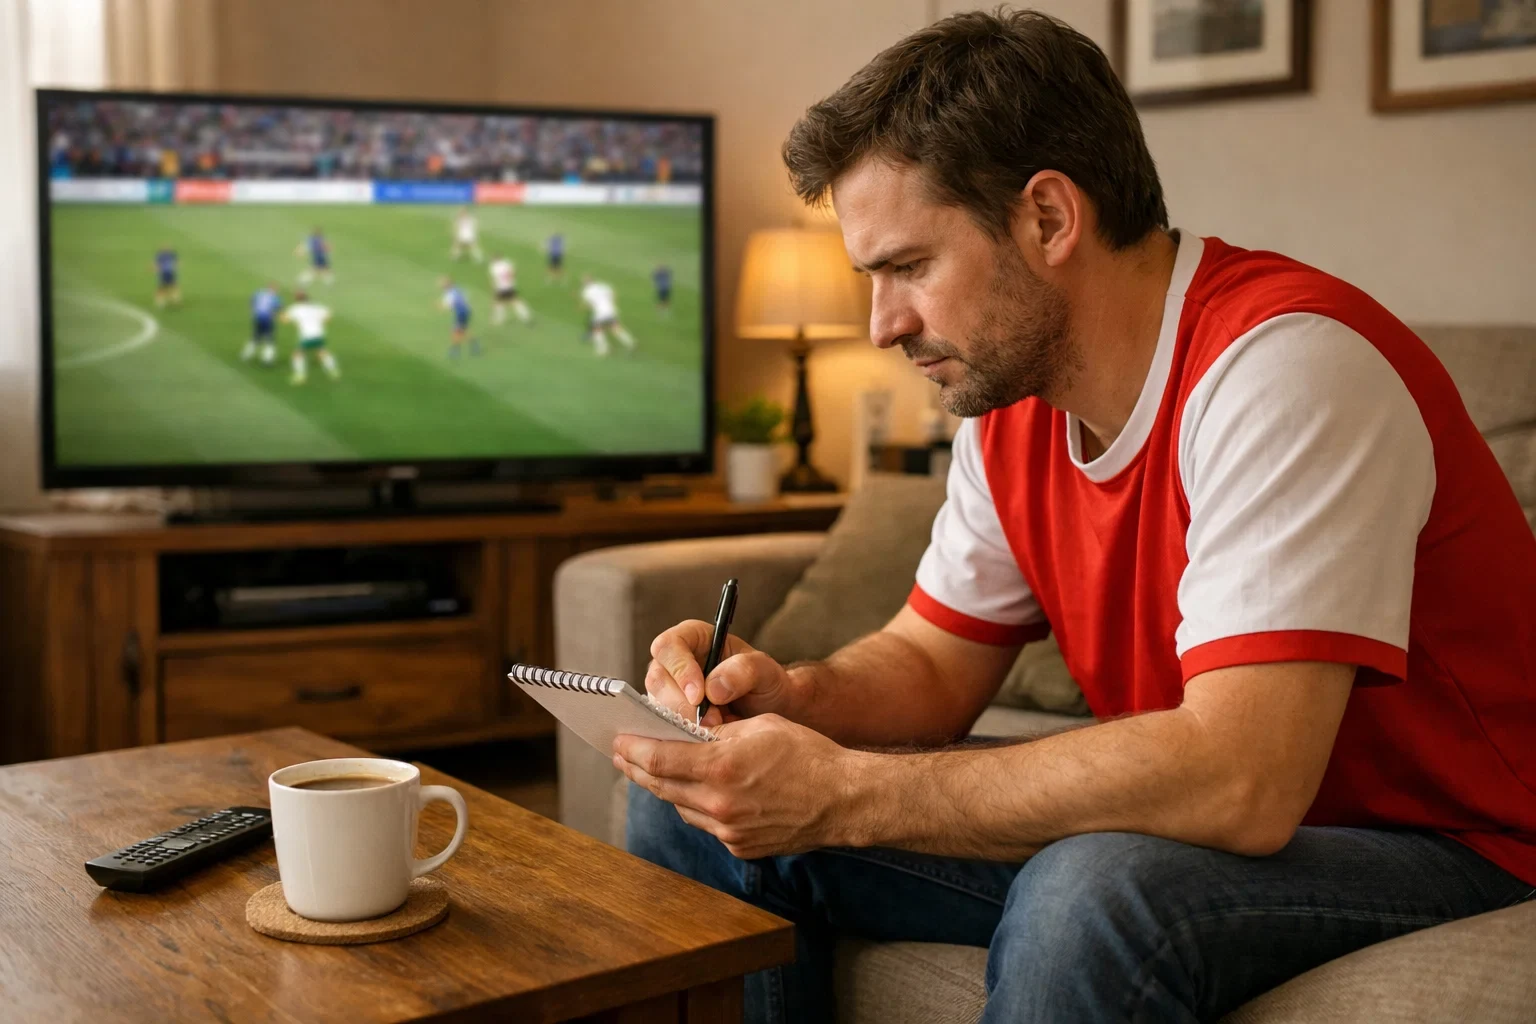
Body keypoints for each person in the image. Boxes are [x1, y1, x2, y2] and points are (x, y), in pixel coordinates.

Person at [616, 12, 1536, 1024]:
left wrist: (843, 790)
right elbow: (930, 664)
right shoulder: (1014, 410)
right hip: (1232, 826)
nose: (882, 325)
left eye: (909, 267)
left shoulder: (1287, 366)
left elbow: (1244, 778)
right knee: (694, 813)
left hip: (1458, 844)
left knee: (1091, 891)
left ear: (1048, 218)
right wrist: (795, 695)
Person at [279, 290, 338, 385]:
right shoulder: (316, 307)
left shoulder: (295, 309)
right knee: (322, 352)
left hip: (307, 336)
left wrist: (280, 313)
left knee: (297, 354)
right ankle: (334, 372)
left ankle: (300, 376)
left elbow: (284, 321)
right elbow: (328, 317)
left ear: (296, 299)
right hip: (319, 334)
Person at [579, 273, 634, 357]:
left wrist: (583, 307)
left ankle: (603, 349)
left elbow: (589, 306)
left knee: (596, 329)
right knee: (615, 327)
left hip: (601, 313)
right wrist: (611, 303)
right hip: (611, 310)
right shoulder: (602, 286)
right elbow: (613, 293)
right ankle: (630, 343)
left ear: (585, 283)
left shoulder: (586, 292)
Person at [241, 281, 282, 366]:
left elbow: (252, 301)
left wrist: (253, 311)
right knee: (269, 339)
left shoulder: (259, 293)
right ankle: (267, 359)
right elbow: (278, 308)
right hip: (267, 319)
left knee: (256, 337)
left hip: (258, 318)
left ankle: (246, 355)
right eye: (276, 288)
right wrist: (275, 315)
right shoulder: (275, 298)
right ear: (273, 289)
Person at [439, 276, 480, 358]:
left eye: (443, 284)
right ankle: (475, 346)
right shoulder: (458, 289)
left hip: (461, 313)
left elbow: (449, 306)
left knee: (456, 331)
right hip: (467, 310)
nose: (441, 286)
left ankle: (455, 350)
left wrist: (440, 306)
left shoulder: (449, 294)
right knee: (464, 330)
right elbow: (465, 297)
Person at [488, 253, 533, 326]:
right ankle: (525, 316)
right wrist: (512, 281)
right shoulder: (507, 263)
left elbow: (494, 280)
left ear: (495, 260)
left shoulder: (494, 267)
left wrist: (493, 291)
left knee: (499, 303)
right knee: (515, 301)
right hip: (510, 286)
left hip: (500, 288)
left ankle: (499, 319)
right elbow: (514, 272)